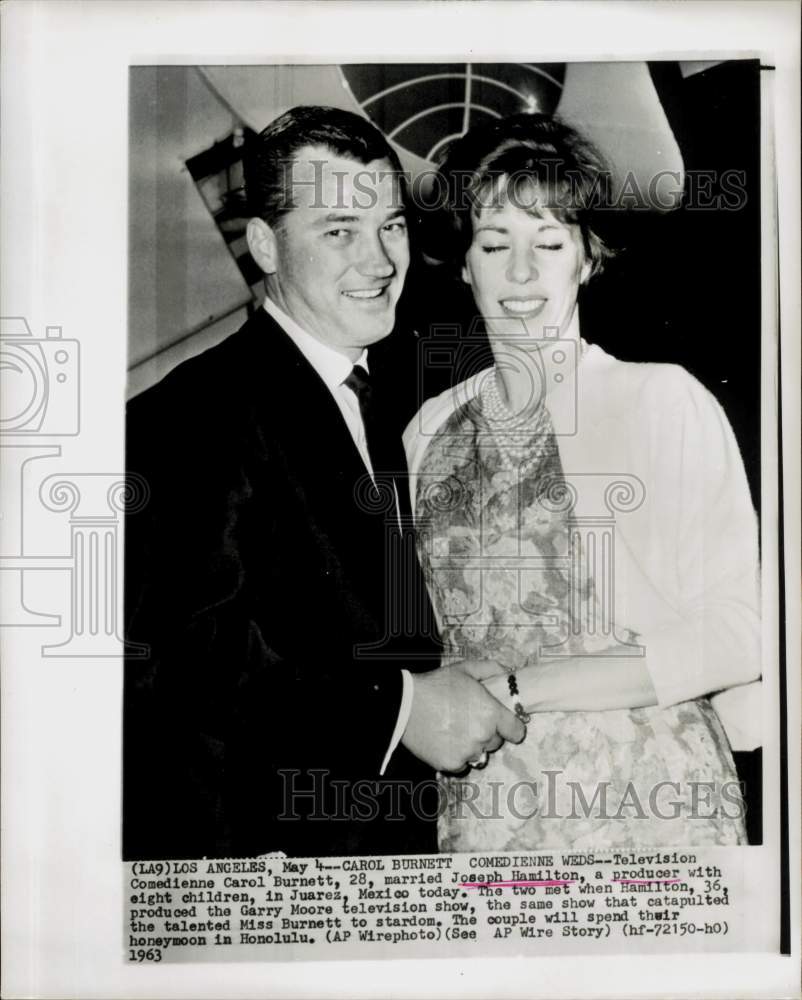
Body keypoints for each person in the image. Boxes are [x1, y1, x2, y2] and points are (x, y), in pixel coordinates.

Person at [123, 106, 526, 861]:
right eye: (339, 230)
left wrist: (440, 671)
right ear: (265, 245)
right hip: (269, 866)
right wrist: (402, 709)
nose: (379, 261)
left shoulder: (412, 397)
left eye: (393, 226)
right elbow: (179, 651)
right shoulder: (188, 414)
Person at [404, 113, 761, 851]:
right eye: (495, 244)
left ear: (587, 257)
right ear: (464, 263)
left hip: (652, 801)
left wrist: (517, 689)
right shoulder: (427, 431)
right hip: (489, 810)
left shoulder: (659, 400)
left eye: (550, 242)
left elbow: (741, 632)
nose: (523, 274)